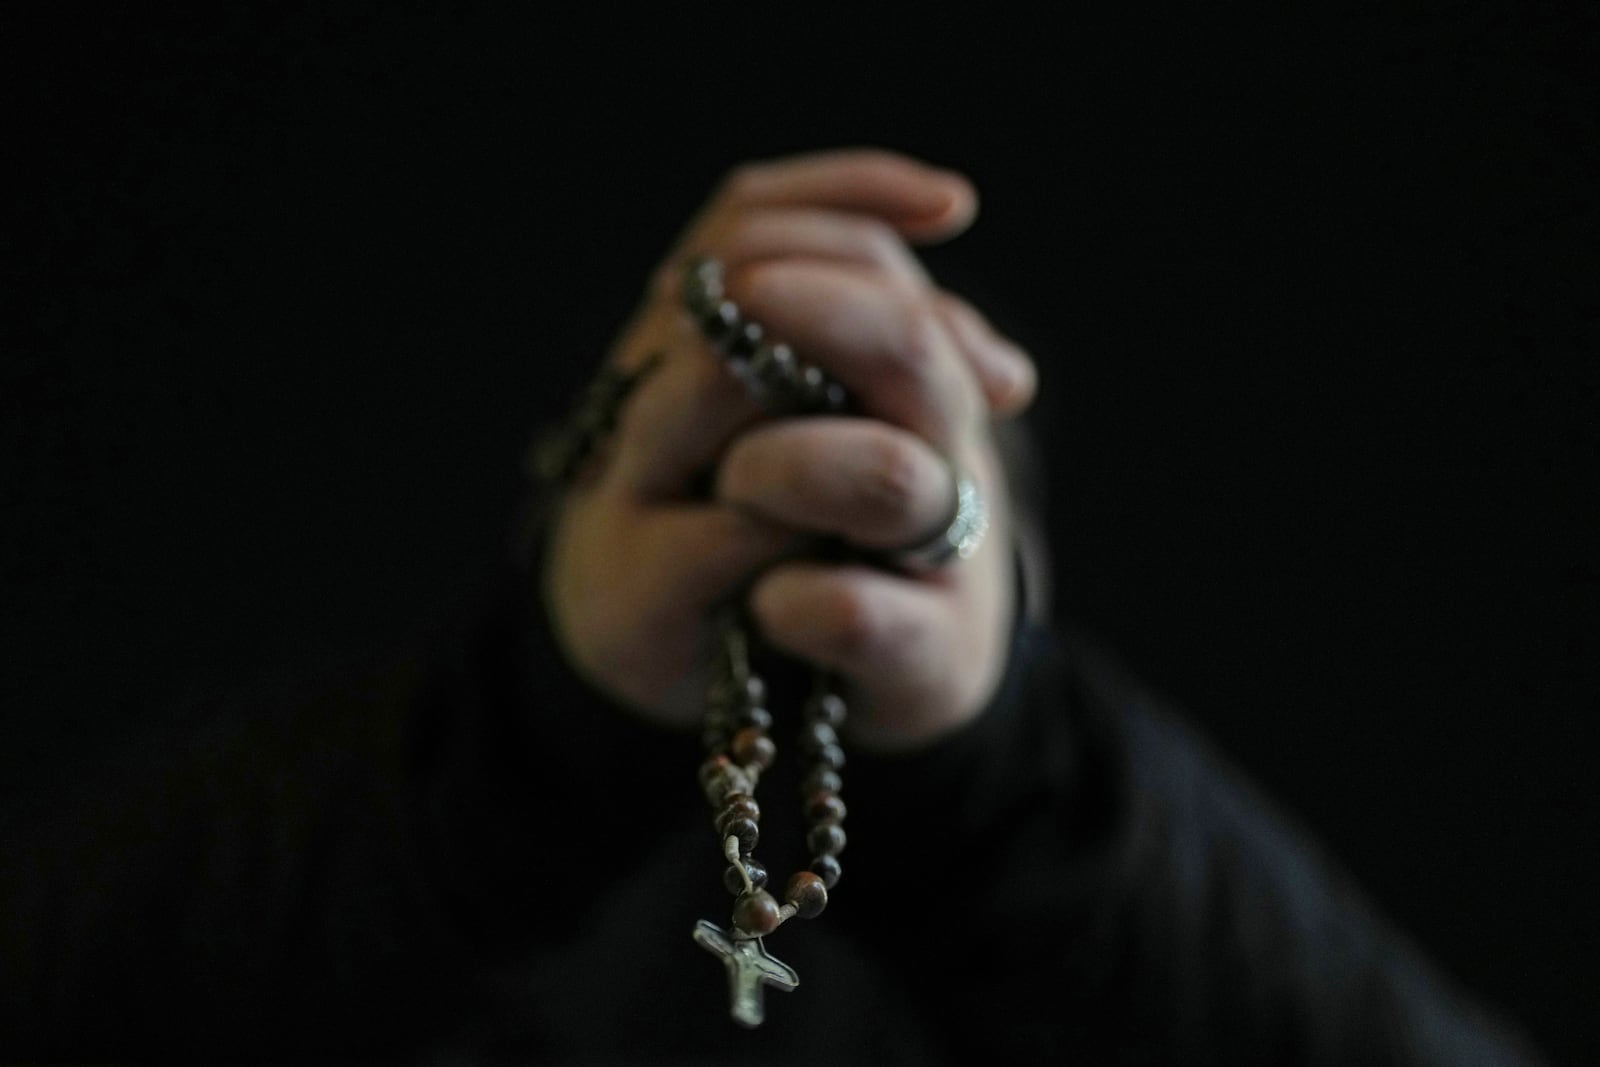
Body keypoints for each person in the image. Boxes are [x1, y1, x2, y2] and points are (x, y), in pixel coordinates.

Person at [0, 149, 1546, 1064]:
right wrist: (536, 730)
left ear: (1031, 578)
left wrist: (999, 765)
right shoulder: (328, 875)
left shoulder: (1116, 905)